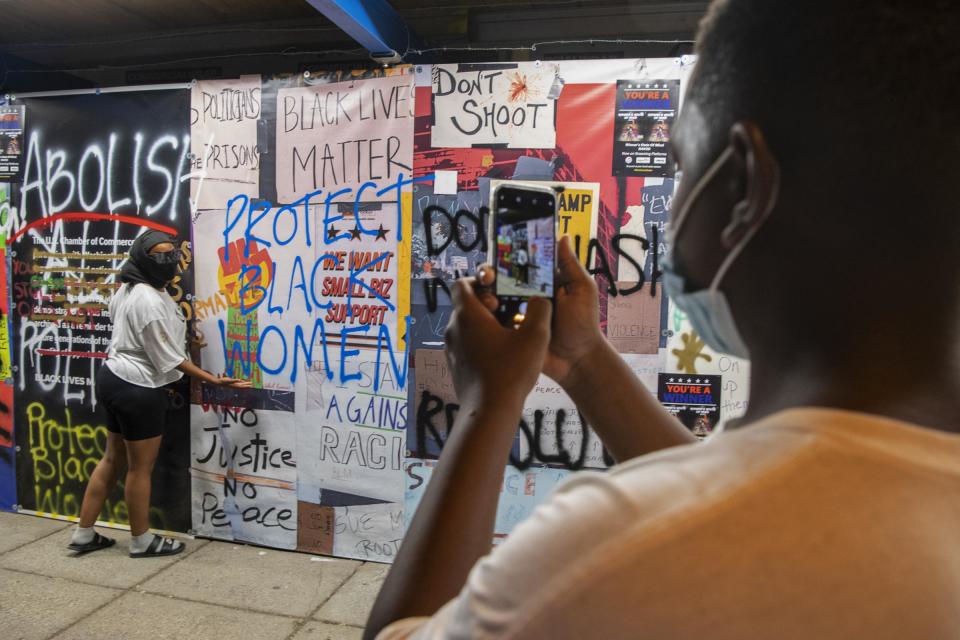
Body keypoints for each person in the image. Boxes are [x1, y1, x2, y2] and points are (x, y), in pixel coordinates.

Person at [365, 1, 960, 638]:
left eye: (678, 164)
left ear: (743, 186)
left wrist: (489, 401)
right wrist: (586, 361)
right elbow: (745, 504)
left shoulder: (595, 555)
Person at [68, 230, 249, 558]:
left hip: (113, 377)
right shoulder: (149, 300)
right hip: (138, 388)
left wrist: (185, 341)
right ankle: (141, 540)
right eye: (160, 256)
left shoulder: (131, 288)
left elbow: (142, 336)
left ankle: (83, 534)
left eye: (171, 254)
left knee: (112, 458)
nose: (169, 263)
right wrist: (213, 380)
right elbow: (168, 359)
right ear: (143, 258)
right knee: (140, 468)